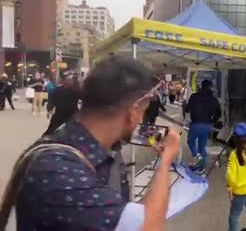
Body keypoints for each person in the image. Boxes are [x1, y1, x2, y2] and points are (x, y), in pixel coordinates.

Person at [0, 55, 181, 231]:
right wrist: (165, 163)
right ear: (133, 111)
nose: (141, 118)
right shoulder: (58, 170)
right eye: (143, 110)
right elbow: (147, 226)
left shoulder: (97, 150)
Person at [185, 79, 221, 175]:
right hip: (207, 125)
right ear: (211, 87)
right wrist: (212, 121)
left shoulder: (194, 96)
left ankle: (199, 160)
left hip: (196, 124)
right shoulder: (214, 99)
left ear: (201, 86)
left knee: (191, 142)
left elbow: (187, 109)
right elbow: (219, 113)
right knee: (202, 145)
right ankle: (200, 167)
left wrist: (185, 105)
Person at [43, 71, 81, 136]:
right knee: (49, 134)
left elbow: (85, 98)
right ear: (63, 80)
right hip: (59, 116)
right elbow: (51, 101)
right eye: (69, 79)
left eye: (72, 80)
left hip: (72, 116)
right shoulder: (57, 90)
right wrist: (49, 110)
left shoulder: (75, 90)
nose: (71, 81)